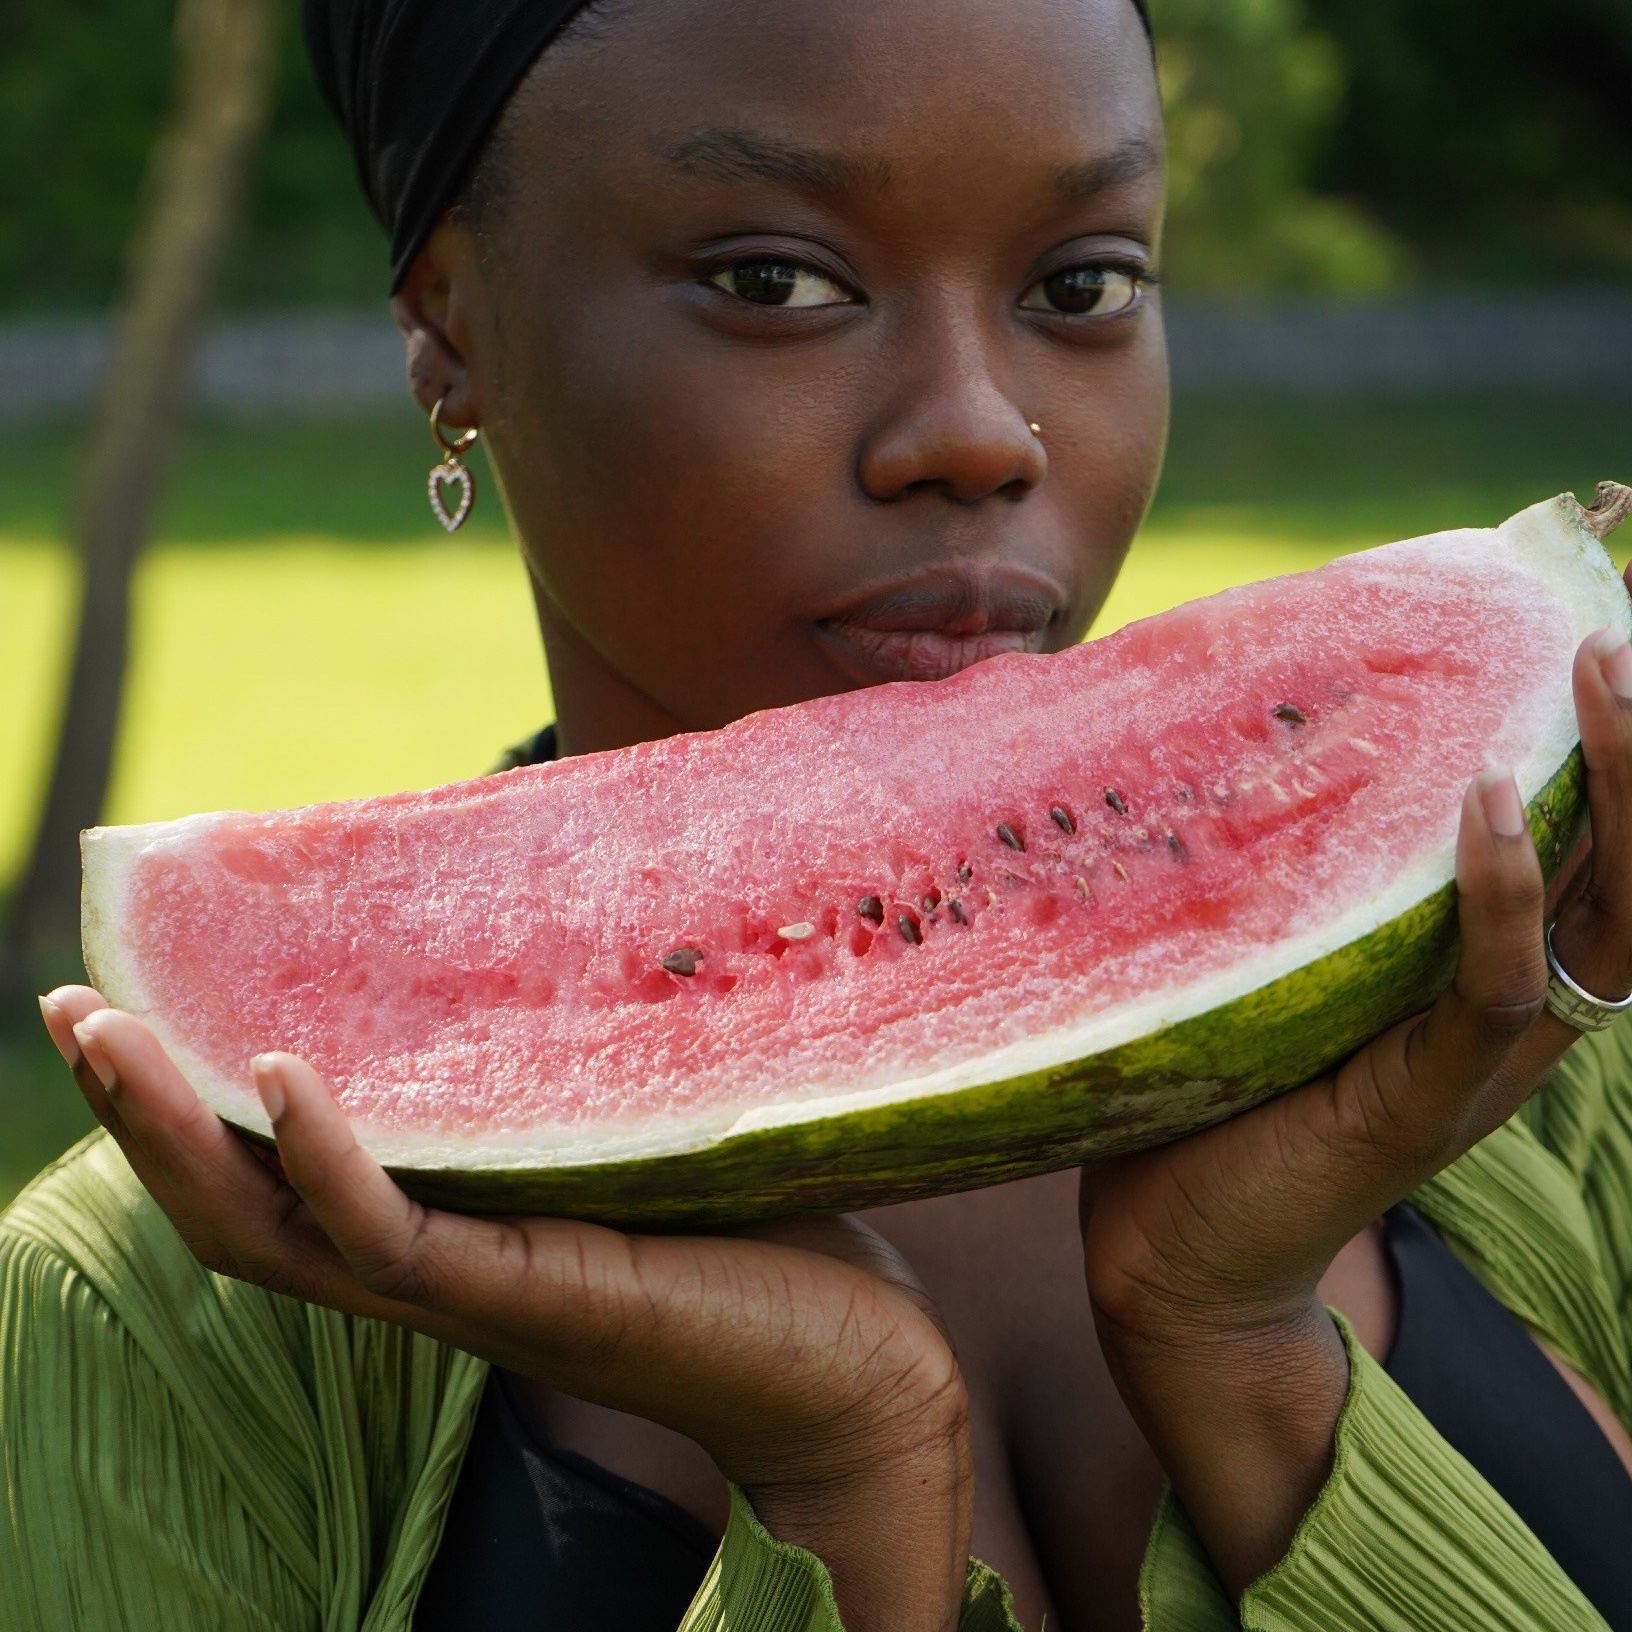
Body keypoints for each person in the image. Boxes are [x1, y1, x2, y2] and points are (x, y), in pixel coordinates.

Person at [6, 0, 1632, 1627]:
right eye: (776, 281)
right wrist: (849, 1473)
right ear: (451, 323)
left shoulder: (1547, 1045)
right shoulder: (139, 1320)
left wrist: (1244, 1343)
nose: (980, 430)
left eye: (1085, 285)